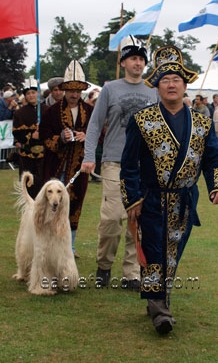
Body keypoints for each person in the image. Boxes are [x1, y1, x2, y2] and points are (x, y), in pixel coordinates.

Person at [120, 45, 218, 334]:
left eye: (176, 80)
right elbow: (128, 165)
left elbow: (214, 157)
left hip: (184, 200)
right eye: (165, 80)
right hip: (152, 198)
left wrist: (217, 185)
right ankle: (161, 311)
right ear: (157, 85)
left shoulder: (203, 123)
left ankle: (157, 298)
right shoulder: (141, 120)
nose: (171, 84)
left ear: (184, 85)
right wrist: (133, 200)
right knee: (155, 253)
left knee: (172, 254)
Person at [81, 35, 158, 289]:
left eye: (141, 59)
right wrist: (90, 156)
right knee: (113, 218)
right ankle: (104, 266)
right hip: (115, 162)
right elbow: (94, 126)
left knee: (138, 221)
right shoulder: (110, 90)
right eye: (133, 58)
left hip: (145, 165)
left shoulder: (153, 91)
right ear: (124, 62)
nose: (138, 63)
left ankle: (132, 274)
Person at [39, 60, 92, 258]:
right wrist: (60, 138)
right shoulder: (51, 112)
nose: (74, 94)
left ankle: (70, 247)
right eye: (70, 90)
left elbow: (99, 134)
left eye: (78, 91)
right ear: (64, 90)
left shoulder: (89, 110)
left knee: (75, 206)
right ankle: (49, 244)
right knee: (52, 204)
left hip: (79, 167)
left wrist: (87, 136)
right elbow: (44, 136)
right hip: (56, 166)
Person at [12, 77, 49, 198]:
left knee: (45, 185)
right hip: (27, 156)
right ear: (25, 96)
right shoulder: (19, 113)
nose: (31, 95)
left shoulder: (47, 110)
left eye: (33, 92)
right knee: (29, 186)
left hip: (45, 155)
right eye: (28, 93)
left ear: (38, 93)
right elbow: (16, 133)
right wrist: (31, 136)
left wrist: (42, 132)